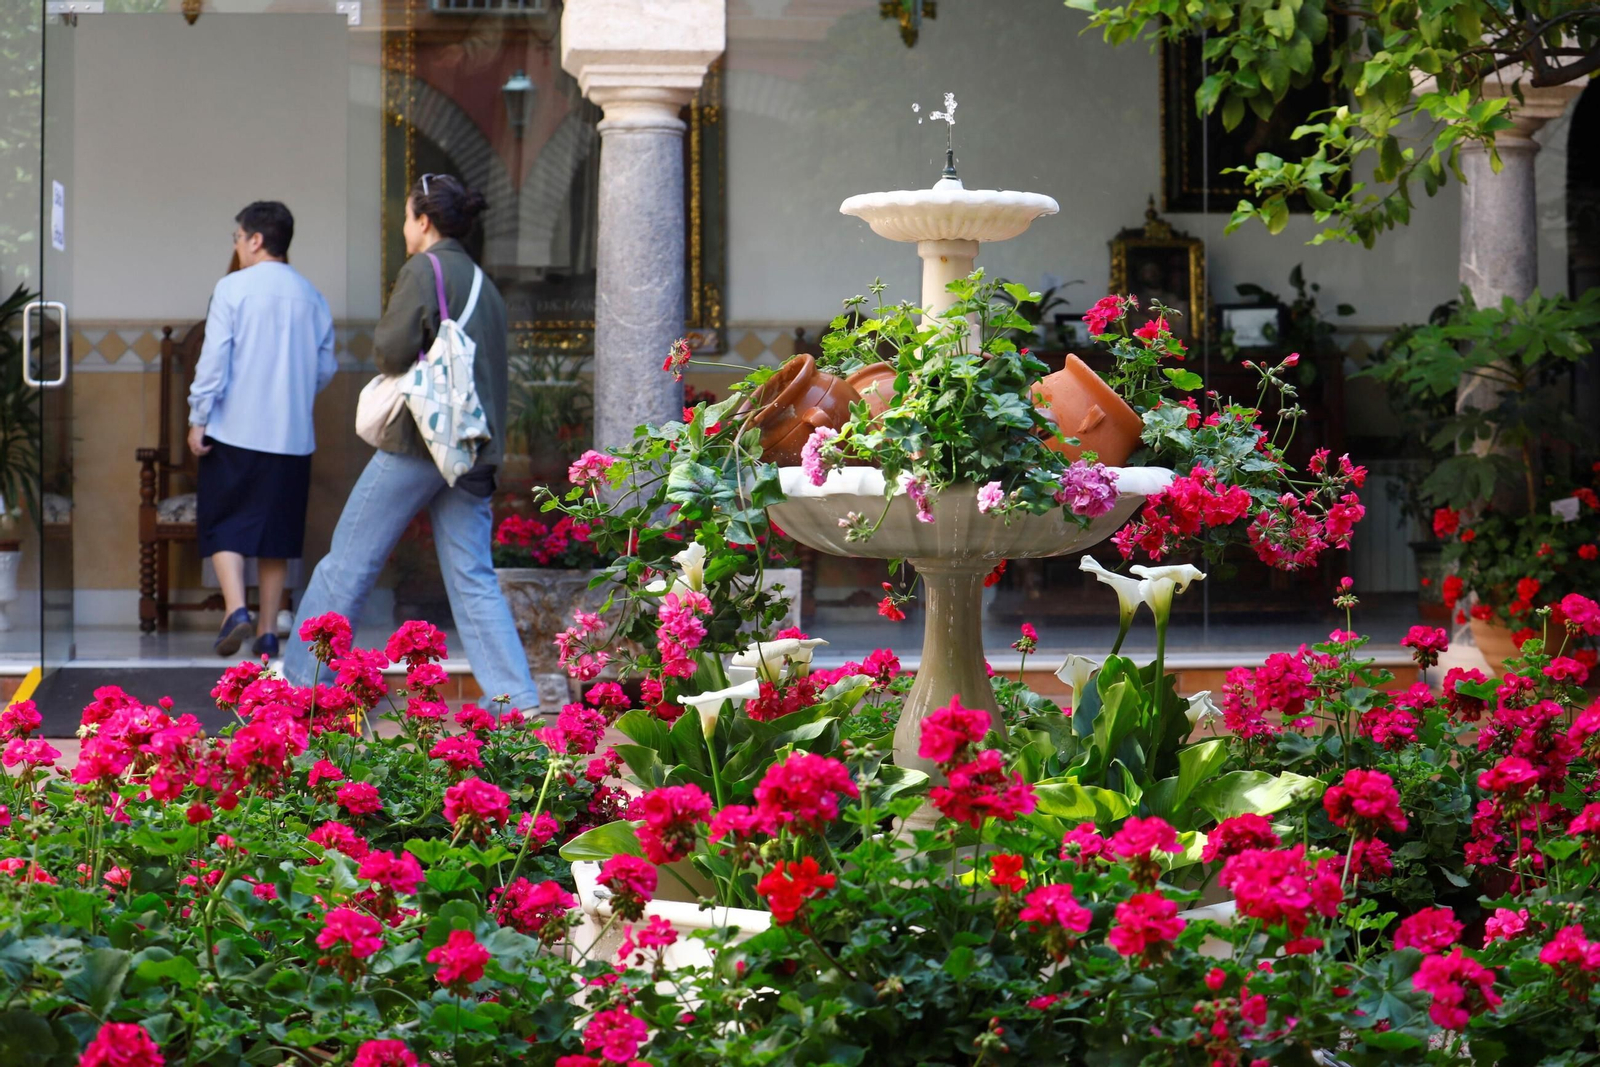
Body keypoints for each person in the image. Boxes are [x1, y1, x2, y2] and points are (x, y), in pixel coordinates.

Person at [282, 174, 538, 710]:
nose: (403, 228)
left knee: (347, 564)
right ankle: (517, 701)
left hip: (422, 444)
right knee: (473, 579)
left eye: (405, 217)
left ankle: (302, 689)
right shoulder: (484, 283)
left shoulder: (425, 268)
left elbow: (391, 351)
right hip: (472, 450)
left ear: (423, 221)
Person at [188, 201, 335, 658]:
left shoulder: (232, 288)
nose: (236, 246)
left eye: (237, 237)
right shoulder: (312, 296)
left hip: (233, 429)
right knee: (277, 534)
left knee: (223, 522)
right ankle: (268, 631)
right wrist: (294, 394)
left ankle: (236, 609)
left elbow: (213, 361)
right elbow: (325, 367)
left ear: (255, 239)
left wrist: (198, 416)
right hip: (292, 436)